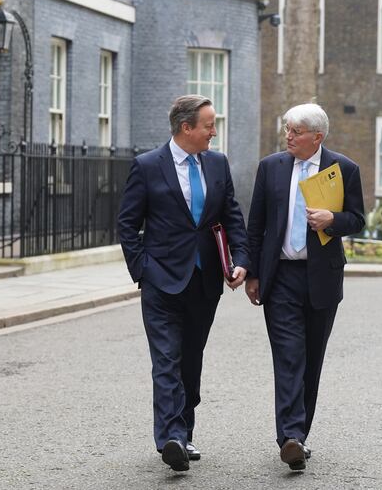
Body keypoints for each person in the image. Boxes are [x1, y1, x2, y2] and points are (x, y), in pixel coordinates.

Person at [118, 94, 249, 472]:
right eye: (208, 125)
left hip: (205, 280)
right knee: (166, 360)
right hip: (161, 281)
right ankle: (170, 437)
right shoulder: (146, 166)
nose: (214, 131)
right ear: (186, 127)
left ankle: (184, 432)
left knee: (190, 363)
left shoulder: (218, 163)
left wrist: (240, 260)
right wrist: (142, 269)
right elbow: (128, 224)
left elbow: (232, 216)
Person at [245, 103, 365, 471]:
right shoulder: (271, 167)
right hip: (280, 277)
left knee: (311, 360)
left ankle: (300, 434)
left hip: (322, 278)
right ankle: (290, 437)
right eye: (287, 130)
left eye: (295, 131)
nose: (289, 137)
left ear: (318, 136)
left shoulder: (343, 169)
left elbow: (358, 219)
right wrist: (251, 272)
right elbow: (256, 225)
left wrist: (333, 219)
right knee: (288, 358)